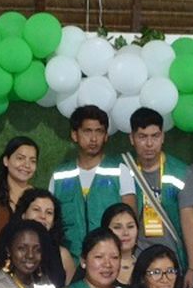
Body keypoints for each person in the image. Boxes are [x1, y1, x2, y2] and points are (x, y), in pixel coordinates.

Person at [48, 106, 136, 256]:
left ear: (106, 136)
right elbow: (50, 221)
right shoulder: (59, 176)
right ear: (75, 135)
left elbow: (131, 221)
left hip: (109, 260)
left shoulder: (120, 171)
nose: (94, 138)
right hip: (69, 260)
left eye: (99, 131)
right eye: (87, 131)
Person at [122, 107, 193, 273]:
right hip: (134, 261)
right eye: (142, 137)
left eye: (155, 136)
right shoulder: (123, 169)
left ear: (163, 137)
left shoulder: (181, 172)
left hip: (173, 260)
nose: (149, 143)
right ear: (132, 138)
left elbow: (189, 221)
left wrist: (191, 268)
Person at [0, 136, 38, 267]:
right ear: (6, 160)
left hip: (34, 269)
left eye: (32, 161)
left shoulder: (39, 199)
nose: (27, 165)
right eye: (20, 158)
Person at [14, 187, 74, 286]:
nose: (43, 216)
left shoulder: (63, 255)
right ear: (23, 214)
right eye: (36, 210)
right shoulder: (10, 249)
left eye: (49, 212)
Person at [100, 203, 141, 288]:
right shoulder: (96, 266)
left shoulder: (147, 265)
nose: (125, 233)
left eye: (130, 226)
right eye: (117, 227)